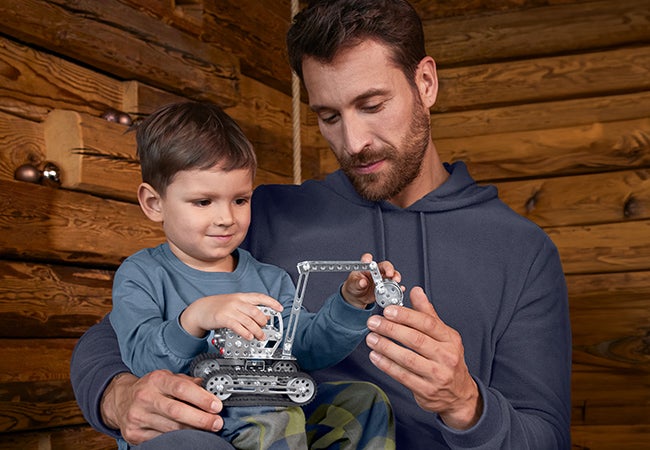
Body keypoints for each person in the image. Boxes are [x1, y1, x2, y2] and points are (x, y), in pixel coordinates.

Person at [70, 0, 572, 448]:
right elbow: (114, 335)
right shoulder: (255, 214)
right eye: (329, 116)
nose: (354, 141)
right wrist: (117, 397)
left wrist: (465, 403)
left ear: (425, 83)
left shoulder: (520, 251)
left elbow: (545, 436)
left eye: (372, 106)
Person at [103, 101, 399, 449]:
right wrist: (195, 318)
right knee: (272, 412)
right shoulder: (141, 274)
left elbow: (303, 348)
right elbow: (141, 360)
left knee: (364, 401)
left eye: (240, 200)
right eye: (203, 202)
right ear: (154, 204)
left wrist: (350, 304)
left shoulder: (269, 279)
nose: (227, 217)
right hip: (193, 415)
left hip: (266, 397)